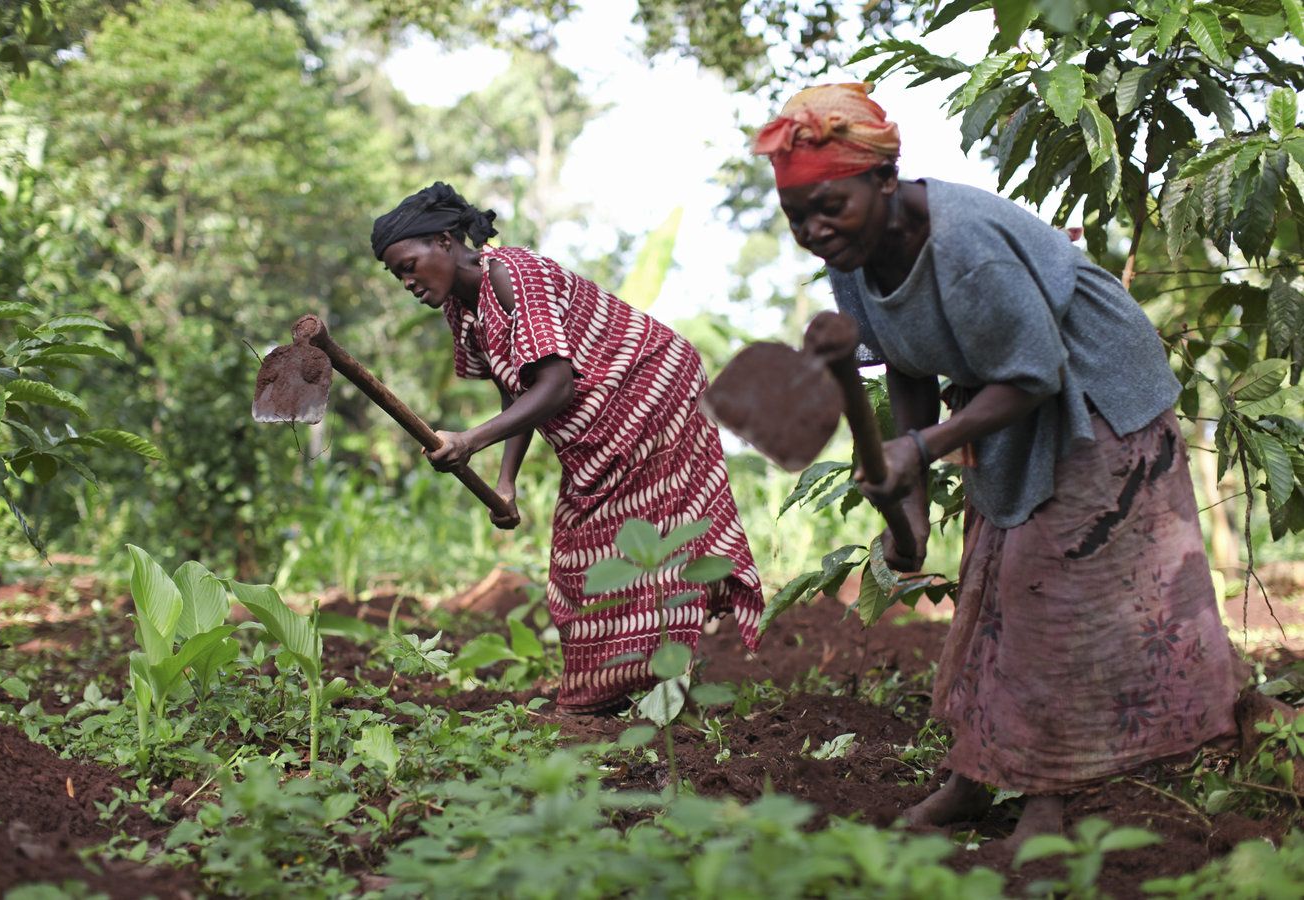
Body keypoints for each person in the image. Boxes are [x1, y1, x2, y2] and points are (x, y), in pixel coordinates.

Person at [755, 83, 1244, 847]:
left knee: (1049, 591)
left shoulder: (964, 246)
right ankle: (974, 779)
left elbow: (1036, 373)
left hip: (1096, 392)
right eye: (797, 218)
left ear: (884, 181)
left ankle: (1051, 794)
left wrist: (917, 449)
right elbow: (908, 366)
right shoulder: (854, 257)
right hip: (1010, 397)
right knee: (992, 578)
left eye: (830, 207)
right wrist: (908, 496)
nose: (815, 230)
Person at [370, 182, 765, 714]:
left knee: (634, 541)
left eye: (410, 265)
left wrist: (469, 440)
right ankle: (631, 687)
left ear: (444, 240)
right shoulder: (464, 312)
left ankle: (617, 694)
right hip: (596, 429)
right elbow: (517, 385)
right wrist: (504, 482)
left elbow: (556, 385)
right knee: (582, 556)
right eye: (398, 275)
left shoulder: (512, 272)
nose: (407, 282)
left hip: (650, 389)